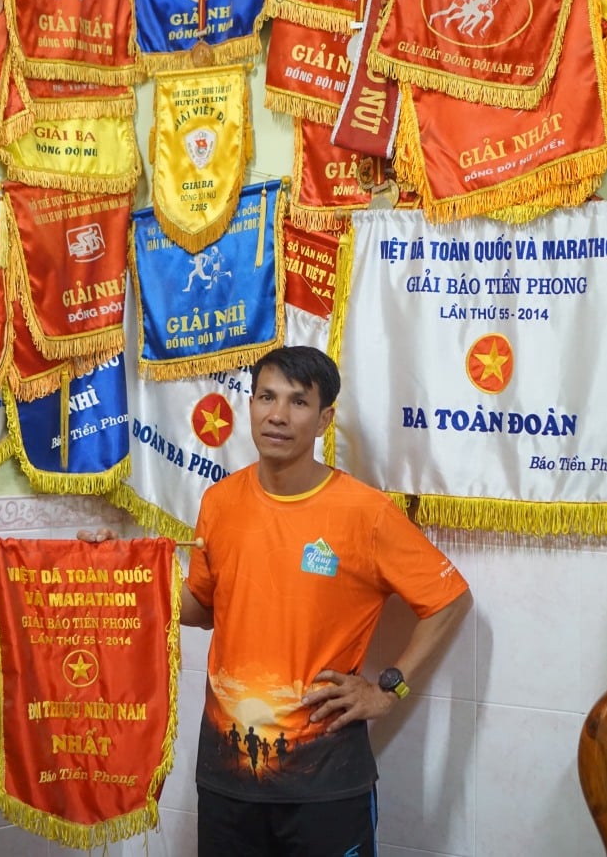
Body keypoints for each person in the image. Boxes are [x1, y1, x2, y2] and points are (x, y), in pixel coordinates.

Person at [178, 345, 471, 857]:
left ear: (324, 418)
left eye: (298, 402)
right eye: (266, 397)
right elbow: (201, 609)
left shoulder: (365, 513)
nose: (277, 414)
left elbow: (449, 599)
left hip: (325, 782)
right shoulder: (219, 502)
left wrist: (389, 690)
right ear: (249, 405)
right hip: (227, 775)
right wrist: (121, 571)